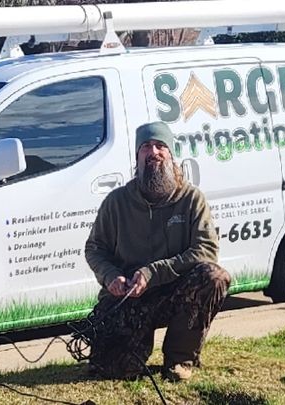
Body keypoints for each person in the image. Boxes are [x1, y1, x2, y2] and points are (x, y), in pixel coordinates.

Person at [84, 121, 231, 382]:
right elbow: (95, 249)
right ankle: (129, 356)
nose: (153, 152)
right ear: (137, 157)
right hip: (129, 297)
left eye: (160, 146)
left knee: (214, 277)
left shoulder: (191, 199)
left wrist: (153, 273)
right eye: (146, 147)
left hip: (175, 293)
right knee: (114, 371)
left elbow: (206, 250)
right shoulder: (116, 202)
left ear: (171, 155)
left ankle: (179, 359)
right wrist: (111, 277)